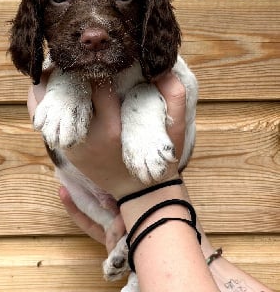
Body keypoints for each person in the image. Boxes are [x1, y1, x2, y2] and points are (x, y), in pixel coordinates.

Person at [28, 73, 274, 292]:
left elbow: (182, 83)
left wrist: (144, 195)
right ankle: (135, 247)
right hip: (91, 193)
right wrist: (199, 250)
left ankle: (136, 252)